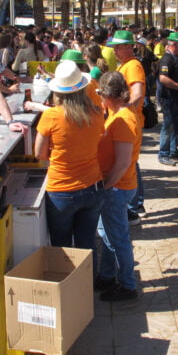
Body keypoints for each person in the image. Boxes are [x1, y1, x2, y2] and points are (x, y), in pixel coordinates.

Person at [35, 61, 105, 249]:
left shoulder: (51, 116)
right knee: (87, 245)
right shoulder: (97, 113)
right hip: (93, 186)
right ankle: (88, 279)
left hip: (61, 189)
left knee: (62, 248)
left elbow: (39, 154)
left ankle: (68, 279)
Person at [95, 72, 141, 301]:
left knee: (118, 238)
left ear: (107, 95)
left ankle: (127, 285)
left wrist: (106, 186)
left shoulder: (123, 120)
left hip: (117, 187)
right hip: (117, 186)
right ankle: (106, 275)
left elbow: (122, 162)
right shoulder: (118, 114)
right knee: (107, 233)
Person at [110, 30, 147, 223]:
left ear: (129, 46)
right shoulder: (127, 65)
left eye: (118, 46)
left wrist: (123, 110)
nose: (115, 50)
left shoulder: (133, 65)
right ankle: (135, 205)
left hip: (127, 122)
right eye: (114, 47)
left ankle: (134, 207)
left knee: (129, 163)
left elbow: (138, 93)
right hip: (126, 120)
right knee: (131, 162)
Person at [157, 31, 178, 166]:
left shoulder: (176, 58)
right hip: (170, 99)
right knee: (168, 126)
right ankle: (163, 153)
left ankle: (172, 151)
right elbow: (163, 79)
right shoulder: (167, 59)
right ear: (175, 45)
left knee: (175, 126)